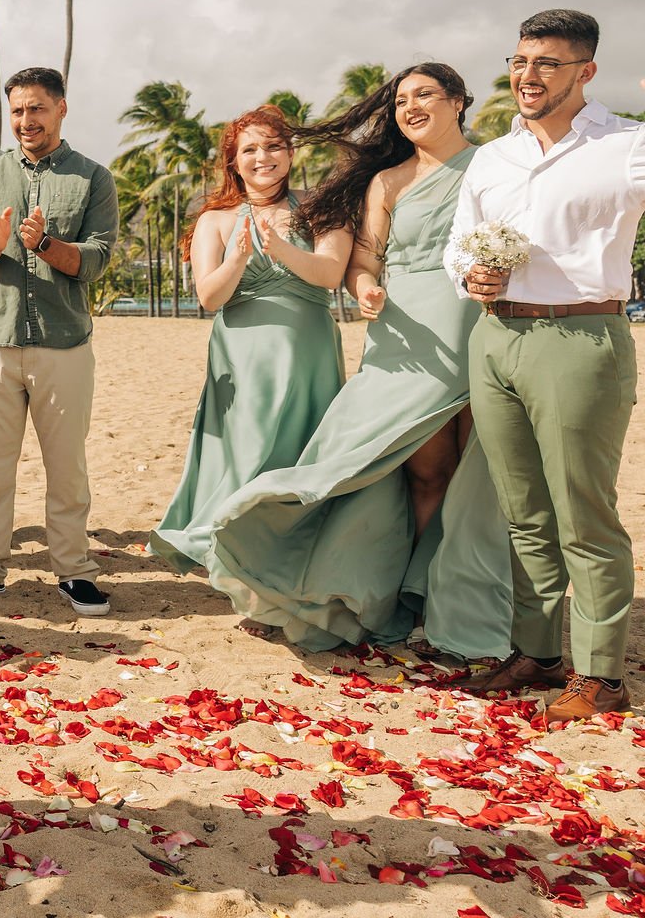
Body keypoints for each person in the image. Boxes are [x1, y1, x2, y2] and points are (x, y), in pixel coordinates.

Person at [193, 64, 512, 659]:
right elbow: (364, 261)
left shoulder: (499, 166)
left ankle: (467, 599)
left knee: (484, 478)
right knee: (423, 472)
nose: (410, 107)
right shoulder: (385, 182)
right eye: (400, 101)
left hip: (486, 324)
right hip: (410, 335)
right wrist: (366, 286)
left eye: (425, 95)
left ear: (460, 101)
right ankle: (408, 598)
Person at [458, 10, 642, 721]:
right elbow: (457, 244)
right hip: (495, 337)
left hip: (580, 339)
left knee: (583, 513)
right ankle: (537, 651)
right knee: (523, 512)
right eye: (519, 61)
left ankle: (602, 677)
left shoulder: (626, 144)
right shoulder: (491, 157)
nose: (527, 76)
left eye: (547, 64)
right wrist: (468, 276)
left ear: (586, 72)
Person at [0, 68, 118, 617]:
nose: (25, 121)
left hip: (63, 345)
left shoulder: (93, 179)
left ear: (61, 108)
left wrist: (43, 243)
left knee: (66, 464)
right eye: (17, 110)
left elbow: (95, 260)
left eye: (37, 109)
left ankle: (73, 569)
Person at [149, 109, 350, 571]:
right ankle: (238, 550)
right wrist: (239, 258)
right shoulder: (215, 221)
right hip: (242, 354)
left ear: (291, 152)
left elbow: (331, 274)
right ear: (234, 163)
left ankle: (289, 551)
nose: (264, 157)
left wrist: (279, 247)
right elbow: (208, 296)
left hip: (307, 351)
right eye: (250, 150)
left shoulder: (323, 206)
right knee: (248, 447)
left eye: (274, 146)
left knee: (301, 449)